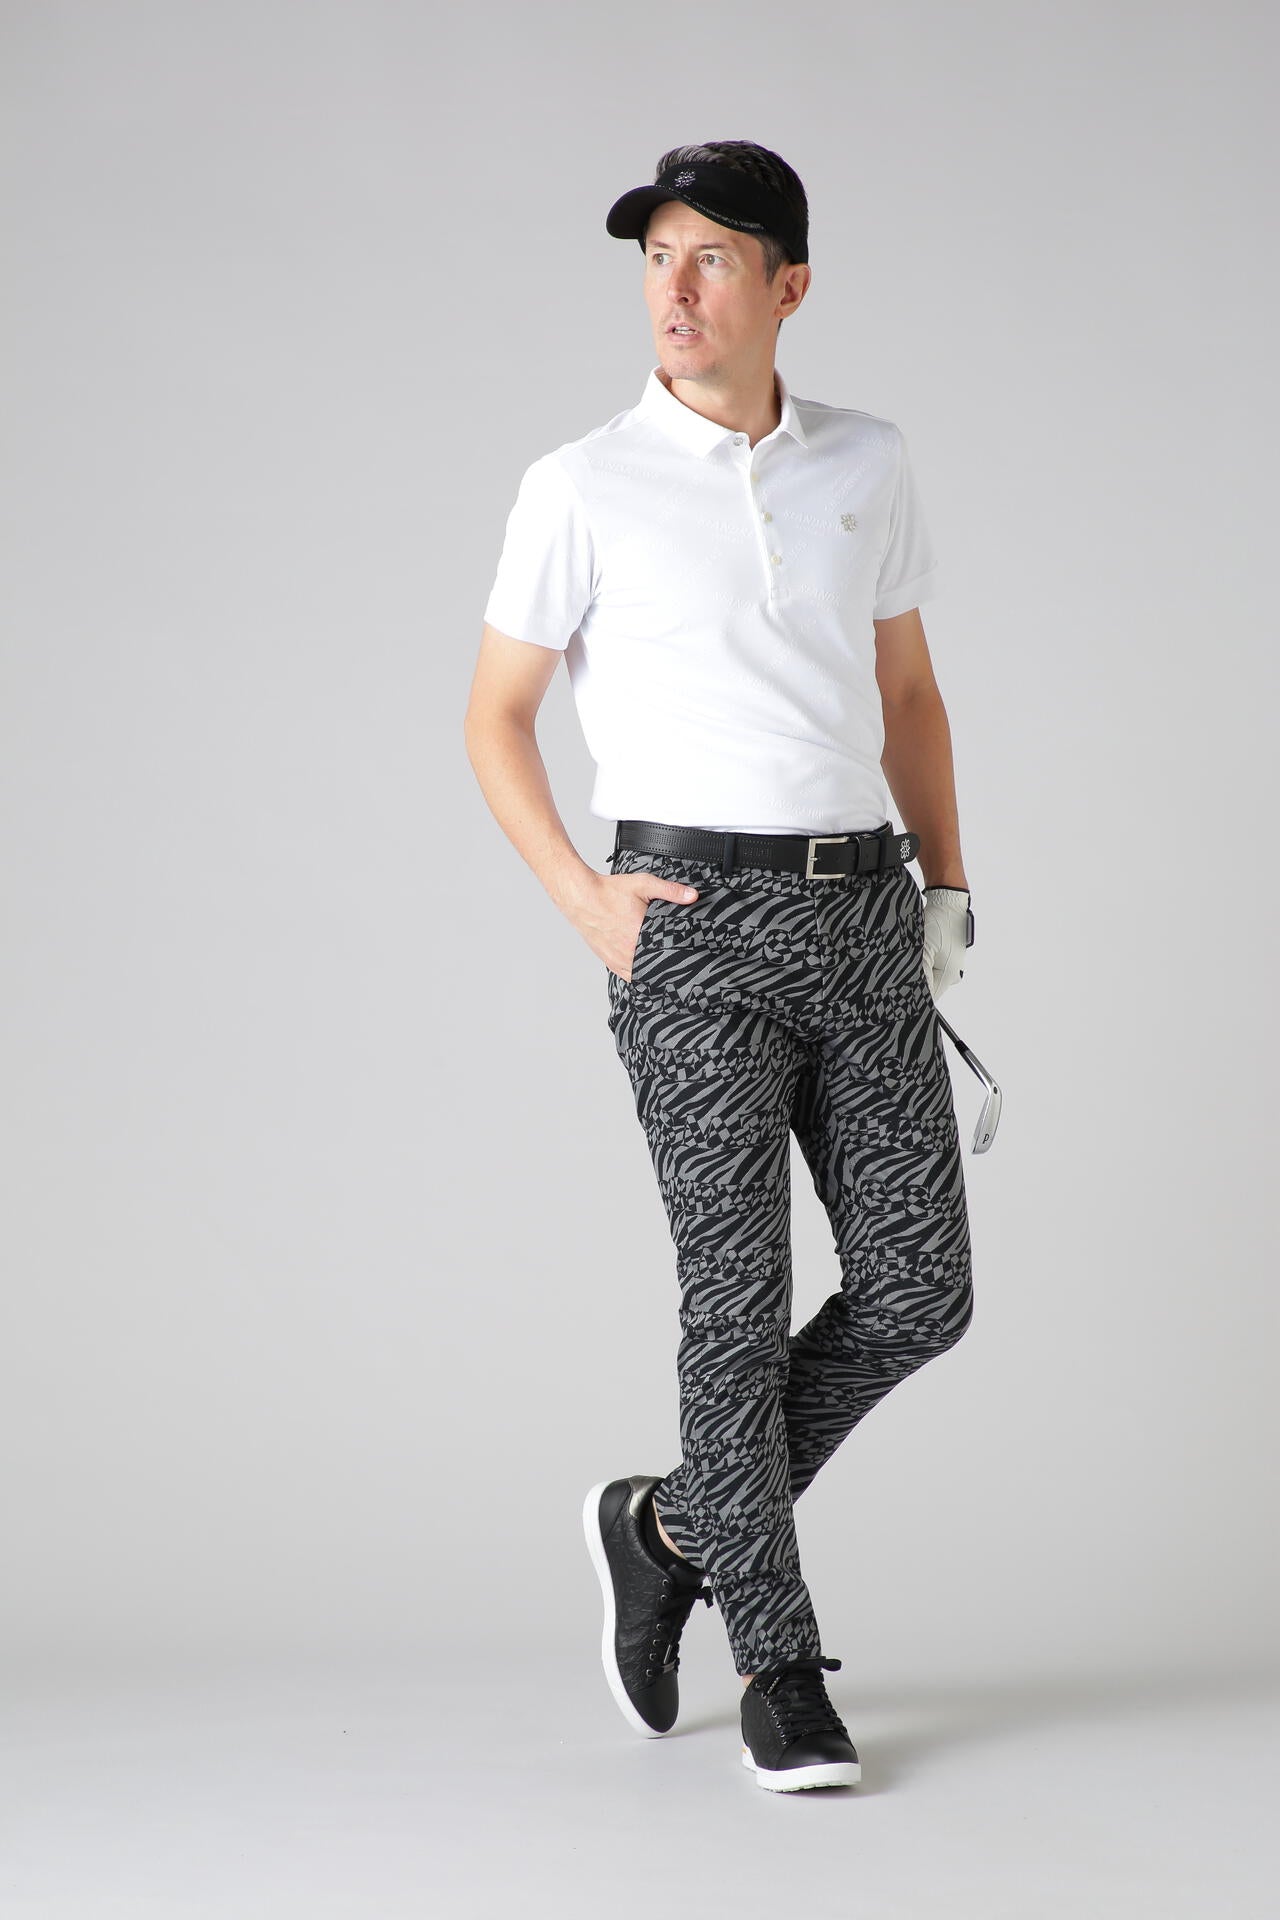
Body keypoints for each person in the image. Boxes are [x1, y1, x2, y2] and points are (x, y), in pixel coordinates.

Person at [463, 139, 976, 1794]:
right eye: (656, 257)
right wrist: (585, 901)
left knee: (920, 1291)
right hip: (688, 926)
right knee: (734, 1302)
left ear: (788, 287)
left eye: (712, 258)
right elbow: (495, 717)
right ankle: (778, 1660)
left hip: (861, 910)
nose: (673, 290)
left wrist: (949, 886)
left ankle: (675, 1522)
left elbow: (907, 694)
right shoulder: (581, 482)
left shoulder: (867, 461)